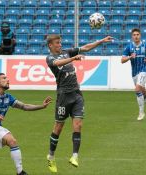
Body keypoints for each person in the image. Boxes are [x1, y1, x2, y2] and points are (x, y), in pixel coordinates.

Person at [45, 34, 113, 173]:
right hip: (63, 96)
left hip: (76, 94)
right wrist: (73, 58)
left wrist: (101, 40)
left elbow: (86, 48)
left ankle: (75, 156)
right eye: (57, 43)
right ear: (50, 45)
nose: (60, 45)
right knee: (58, 127)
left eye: (60, 42)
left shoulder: (66, 52)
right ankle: (51, 156)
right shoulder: (50, 58)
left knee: (78, 125)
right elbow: (57, 64)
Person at [0, 73, 52, 175]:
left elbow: (24, 106)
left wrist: (42, 106)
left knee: (12, 141)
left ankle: (20, 172)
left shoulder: (8, 97)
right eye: (4, 78)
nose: (7, 80)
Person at [121, 28, 146, 121]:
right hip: (135, 73)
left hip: (144, 70)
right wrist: (129, 57)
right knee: (143, 91)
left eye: (137, 34)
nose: (136, 36)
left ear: (140, 35)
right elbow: (122, 60)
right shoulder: (129, 47)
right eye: (134, 35)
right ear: (132, 37)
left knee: (137, 89)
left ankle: (141, 112)